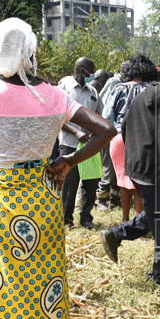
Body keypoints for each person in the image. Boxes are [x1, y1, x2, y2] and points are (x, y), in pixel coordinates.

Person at [0, 18, 115, 319]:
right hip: (43, 192)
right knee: (46, 273)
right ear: (30, 53)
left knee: (4, 273)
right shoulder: (53, 95)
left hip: (2, 195)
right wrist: (68, 160)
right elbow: (106, 130)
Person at [101, 60, 160, 285]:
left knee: (158, 213)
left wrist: (137, 154)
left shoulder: (140, 97)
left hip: (138, 169)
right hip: (158, 173)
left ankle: (116, 235)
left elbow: (124, 127)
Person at [103, 55, 157, 222]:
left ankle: (125, 220)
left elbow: (107, 116)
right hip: (144, 139)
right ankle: (140, 221)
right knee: (141, 182)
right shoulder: (153, 89)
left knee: (123, 181)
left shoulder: (118, 88)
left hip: (119, 138)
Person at [57, 57, 103, 229]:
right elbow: (57, 116)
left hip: (90, 145)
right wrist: (76, 132)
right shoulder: (64, 88)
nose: (92, 75)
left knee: (91, 182)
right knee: (70, 182)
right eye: (91, 71)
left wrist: (95, 133)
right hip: (70, 143)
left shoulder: (93, 92)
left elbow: (100, 116)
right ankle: (66, 219)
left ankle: (86, 218)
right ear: (83, 70)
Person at [96, 65, 127, 211]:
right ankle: (102, 199)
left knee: (119, 168)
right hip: (111, 132)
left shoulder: (126, 85)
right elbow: (105, 108)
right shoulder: (113, 83)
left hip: (121, 134)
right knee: (108, 168)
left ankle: (115, 198)